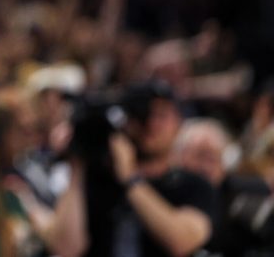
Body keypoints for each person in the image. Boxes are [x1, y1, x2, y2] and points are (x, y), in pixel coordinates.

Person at [51, 81, 218, 256]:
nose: (151, 124)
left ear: (179, 123)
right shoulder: (97, 180)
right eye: (141, 114)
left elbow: (181, 242)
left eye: (162, 116)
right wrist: (77, 166)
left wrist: (131, 178)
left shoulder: (192, 185)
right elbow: (65, 249)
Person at [174, 118, 274, 255]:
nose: (206, 166)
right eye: (200, 155)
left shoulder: (251, 191)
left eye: (213, 157)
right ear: (180, 158)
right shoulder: (171, 192)